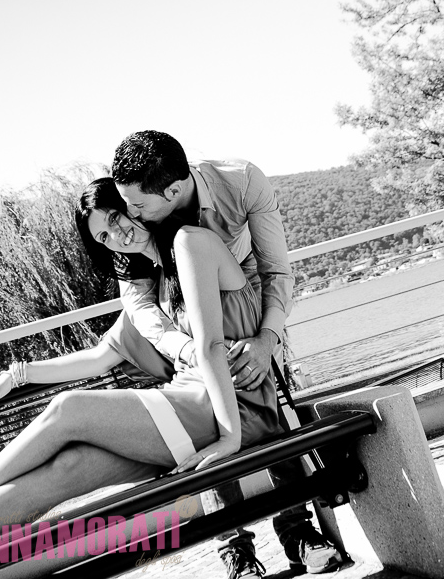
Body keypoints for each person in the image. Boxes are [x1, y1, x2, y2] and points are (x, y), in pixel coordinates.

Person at [0, 179, 279, 560]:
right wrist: (18, 374)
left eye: (115, 217)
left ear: (134, 205)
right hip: (199, 407)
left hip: (232, 407)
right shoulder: (153, 290)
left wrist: (229, 439)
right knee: (69, 466)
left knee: (68, 408)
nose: (117, 235)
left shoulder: (192, 244)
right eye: (103, 236)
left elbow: (212, 347)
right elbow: (100, 357)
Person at [110, 130, 342, 578]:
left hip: (244, 315)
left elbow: (276, 270)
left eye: (138, 207)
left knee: (267, 414)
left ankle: (298, 532)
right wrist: (186, 350)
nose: (129, 215)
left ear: (173, 190)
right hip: (182, 328)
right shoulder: (136, 206)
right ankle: (234, 548)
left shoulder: (242, 182)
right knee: (208, 428)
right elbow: (137, 302)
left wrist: (267, 339)